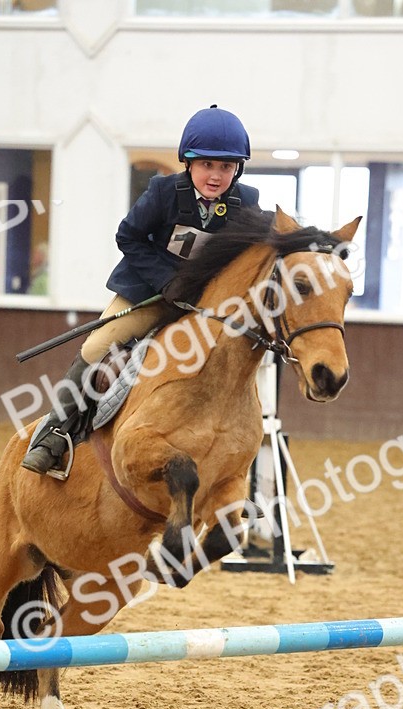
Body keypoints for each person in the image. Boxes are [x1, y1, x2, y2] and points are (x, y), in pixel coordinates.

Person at [22, 105, 260, 477]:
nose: (216, 176)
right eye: (207, 165)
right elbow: (127, 236)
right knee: (95, 348)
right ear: (188, 163)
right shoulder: (163, 192)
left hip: (204, 307)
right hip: (149, 293)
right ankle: (56, 434)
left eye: (226, 167)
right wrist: (168, 279)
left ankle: (231, 466)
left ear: (237, 169)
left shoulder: (246, 204)